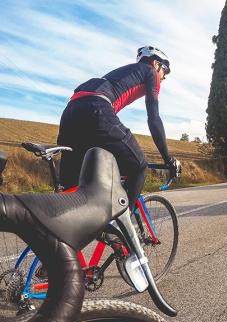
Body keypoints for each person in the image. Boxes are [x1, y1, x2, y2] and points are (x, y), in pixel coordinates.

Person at [57, 46, 180, 210]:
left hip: (70, 112)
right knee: (139, 166)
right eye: (165, 70)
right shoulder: (150, 72)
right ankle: (121, 227)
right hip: (96, 108)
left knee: (70, 189)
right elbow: (154, 118)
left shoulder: (121, 75)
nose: (164, 77)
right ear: (156, 64)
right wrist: (168, 158)